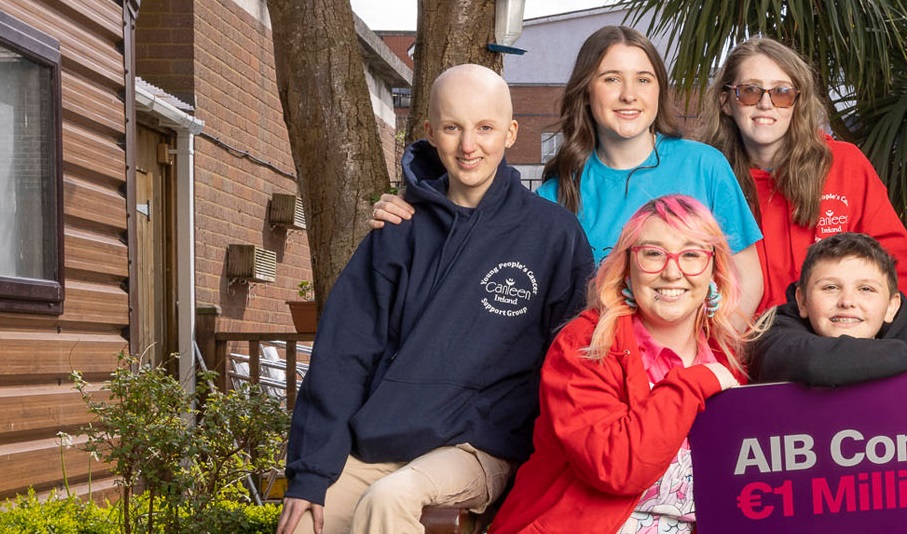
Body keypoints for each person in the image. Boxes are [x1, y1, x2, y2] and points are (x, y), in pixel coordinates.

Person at [278, 65, 594, 534]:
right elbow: (342, 356)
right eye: (452, 128)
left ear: (510, 133)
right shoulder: (397, 232)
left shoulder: (552, 235)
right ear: (430, 132)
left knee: (388, 502)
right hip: (383, 441)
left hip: (479, 449)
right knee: (304, 524)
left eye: (485, 128)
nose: (469, 146)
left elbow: (572, 361)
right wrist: (309, 475)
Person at [373, 26, 767, 316]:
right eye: (611, 79)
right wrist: (417, 209)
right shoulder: (554, 195)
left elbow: (748, 280)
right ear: (586, 91)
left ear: (658, 90)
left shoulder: (704, 165)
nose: (629, 94)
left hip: (697, 372)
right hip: (601, 382)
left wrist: (706, 351)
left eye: (643, 80)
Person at [489, 195, 747, 534]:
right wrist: (695, 383)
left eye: (691, 255)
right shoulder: (587, 344)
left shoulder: (724, 356)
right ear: (627, 266)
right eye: (653, 254)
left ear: (715, 269)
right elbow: (617, 466)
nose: (672, 272)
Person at [704, 38, 907, 316]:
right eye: (750, 91)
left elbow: (897, 264)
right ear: (726, 101)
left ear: (797, 102)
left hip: (841, 341)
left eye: (781, 92)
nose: (765, 104)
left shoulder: (844, 164)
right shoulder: (706, 177)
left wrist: (891, 341)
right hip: (746, 345)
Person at [748, 233, 907, 386]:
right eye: (830, 287)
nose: (847, 302)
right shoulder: (773, 334)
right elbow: (816, 362)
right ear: (803, 301)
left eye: (866, 289)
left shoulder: (901, 335)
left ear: (891, 306)